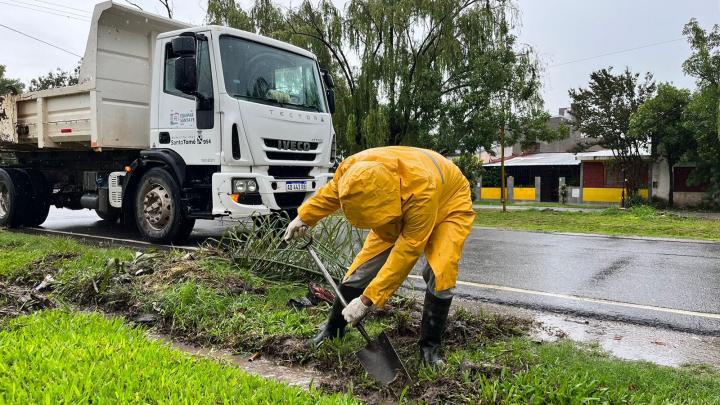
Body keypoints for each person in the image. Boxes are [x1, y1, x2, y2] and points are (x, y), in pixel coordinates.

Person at [283, 146, 475, 366]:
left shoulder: (422, 191)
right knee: (362, 268)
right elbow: (330, 194)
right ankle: (333, 329)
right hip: (396, 208)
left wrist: (367, 301)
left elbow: (406, 253)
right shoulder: (352, 172)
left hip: (449, 202)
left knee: (441, 269)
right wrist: (304, 218)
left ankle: (430, 348)